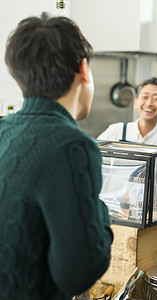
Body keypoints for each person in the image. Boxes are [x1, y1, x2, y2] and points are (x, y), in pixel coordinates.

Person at [0, 13, 113, 299]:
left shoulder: (3, 129)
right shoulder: (73, 146)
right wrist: (100, 211)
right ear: (83, 69)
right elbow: (78, 273)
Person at [97, 77, 157, 167]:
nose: (149, 103)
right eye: (145, 97)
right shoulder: (117, 131)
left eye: (156, 99)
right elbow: (93, 155)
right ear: (135, 102)